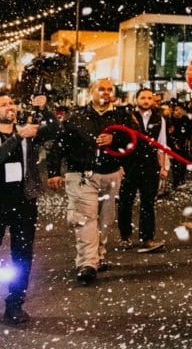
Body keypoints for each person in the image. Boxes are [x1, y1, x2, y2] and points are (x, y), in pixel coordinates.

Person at [47, 78, 136, 285]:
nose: (105, 93)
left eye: (109, 89)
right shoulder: (75, 117)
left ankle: (99, 253)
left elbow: (134, 141)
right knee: (85, 219)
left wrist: (116, 140)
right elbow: (59, 146)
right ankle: (87, 263)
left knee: (105, 218)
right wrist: (54, 171)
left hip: (111, 174)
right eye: (101, 89)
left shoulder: (122, 117)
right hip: (82, 175)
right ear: (91, 92)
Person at [0, 93, 42, 325]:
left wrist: (43, 110)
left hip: (23, 202)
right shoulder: (20, 135)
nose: (10, 107)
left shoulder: (27, 132)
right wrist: (16, 137)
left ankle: (15, 304)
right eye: (4, 105)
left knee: (22, 255)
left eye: (12, 103)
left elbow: (55, 131)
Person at [117, 89, 168, 253]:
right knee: (126, 202)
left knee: (148, 203)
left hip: (150, 165)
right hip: (129, 165)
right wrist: (120, 166)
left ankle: (147, 238)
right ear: (136, 98)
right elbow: (119, 141)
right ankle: (125, 236)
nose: (146, 101)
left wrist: (163, 167)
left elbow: (162, 145)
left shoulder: (159, 119)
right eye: (143, 97)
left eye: (149, 98)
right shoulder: (127, 117)